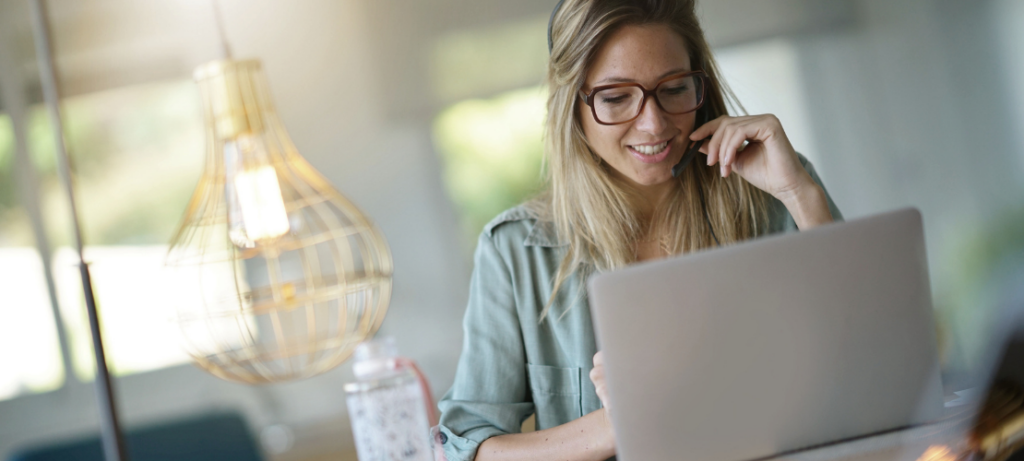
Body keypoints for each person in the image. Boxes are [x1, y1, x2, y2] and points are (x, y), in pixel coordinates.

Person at [436, 0, 843, 460]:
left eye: (673, 89)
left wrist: (801, 195)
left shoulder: (777, 197)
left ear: (699, 86)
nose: (654, 123)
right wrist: (618, 424)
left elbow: (871, 365)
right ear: (573, 105)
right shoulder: (516, 251)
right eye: (615, 98)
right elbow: (468, 448)